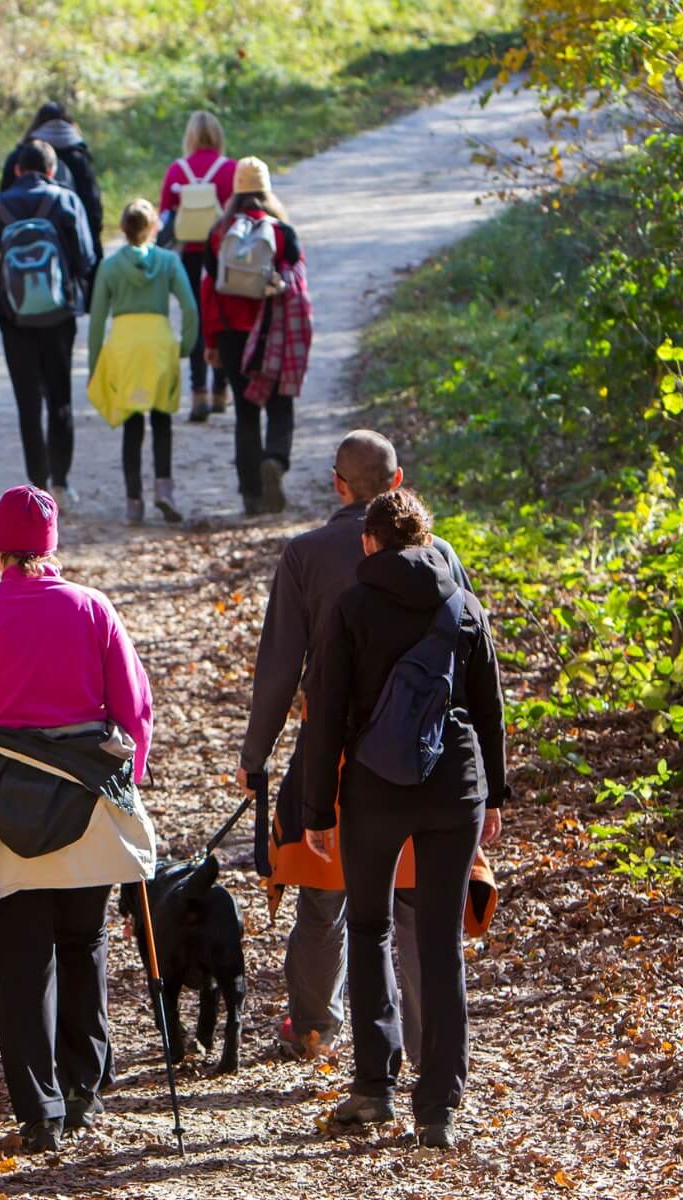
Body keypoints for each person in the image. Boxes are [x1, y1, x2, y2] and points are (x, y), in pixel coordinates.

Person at [0, 486, 157, 1154]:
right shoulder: (92, 609)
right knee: (83, 943)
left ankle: (39, 1113)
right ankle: (85, 1087)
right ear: (53, 546)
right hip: (85, 809)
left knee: (21, 960)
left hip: (2, 809)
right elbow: (135, 712)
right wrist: (127, 787)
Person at [237, 432, 472, 1058]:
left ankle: (314, 1025)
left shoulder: (307, 555)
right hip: (427, 753)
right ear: (399, 484)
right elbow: (467, 659)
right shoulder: (441, 554)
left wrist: (254, 755)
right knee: (418, 906)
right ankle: (424, 1046)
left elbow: (280, 665)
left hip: (338, 752)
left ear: (338, 485)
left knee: (326, 896)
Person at [300, 488, 508, 1151]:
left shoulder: (352, 607)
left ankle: (373, 1086)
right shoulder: (461, 603)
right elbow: (489, 705)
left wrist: (315, 810)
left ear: (368, 542)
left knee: (368, 927)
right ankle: (438, 1106)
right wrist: (495, 795)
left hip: (375, 787)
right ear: (424, 540)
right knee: (441, 945)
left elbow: (325, 710)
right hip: (456, 788)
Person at [0, 141, 99, 506]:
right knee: (60, 397)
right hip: (60, 317)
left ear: (16, 170)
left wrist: (15, 288)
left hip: (13, 319)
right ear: (51, 170)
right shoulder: (65, 202)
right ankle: (61, 483)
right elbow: (86, 259)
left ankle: (37, 485)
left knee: (28, 402)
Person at [201, 157, 307, 515]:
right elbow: (297, 287)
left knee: (245, 413)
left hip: (232, 335)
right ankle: (275, 460)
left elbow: (209, 291)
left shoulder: (218, 233)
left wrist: (211, 342)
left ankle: (251, 496)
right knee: (280, 404)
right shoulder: (283, 233)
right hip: (270, 334)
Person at [87, 199, 199, 525]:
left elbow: (96, 321)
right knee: (162, 420)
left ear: (121, 228)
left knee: (132, 424)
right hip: (159, 343)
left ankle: (133, 501)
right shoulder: (168, 261)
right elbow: (190, 308)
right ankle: (164, 489)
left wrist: (96, 364)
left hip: (125, 346)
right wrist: (184, 346)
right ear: (154, 228)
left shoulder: (109, 267)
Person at [157, 111, 234, 422]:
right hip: (222, 253)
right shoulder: (230, 169)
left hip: (188, 253)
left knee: (195, 318)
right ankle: (221, 388)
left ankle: (198, 391)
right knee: (222, 318)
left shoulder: (177, 170)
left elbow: (164, 214)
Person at [0, 101, 104, 257]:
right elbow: (92, 206)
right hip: (67, 246)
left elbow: (3, 199)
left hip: (20, 249)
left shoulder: (19, 156)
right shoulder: (78, 157)